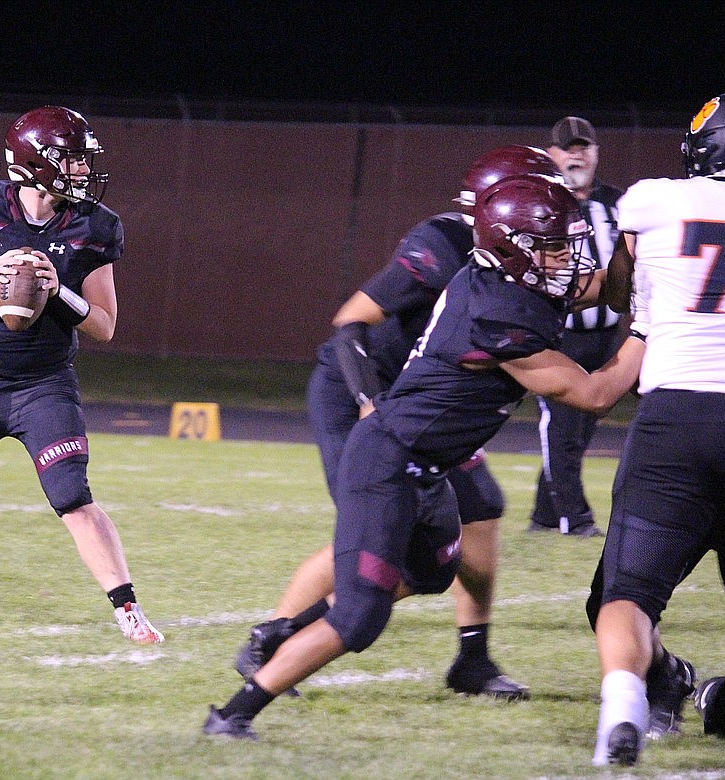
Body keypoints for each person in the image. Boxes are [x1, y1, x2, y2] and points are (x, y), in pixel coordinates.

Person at [204, 173, 647, 740]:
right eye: (555, 245)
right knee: (360, 619)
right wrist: (657, 328)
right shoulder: (497, 313)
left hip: (426, 464)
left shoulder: (514, 278)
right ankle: (235, 712)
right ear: (517, 248)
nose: (568, 258)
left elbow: (602, 289)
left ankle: (282, 630)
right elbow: (594, 394)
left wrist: (636, 251)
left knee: (434, 571)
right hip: (388, 460)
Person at [234, 146, 563, 703]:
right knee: (377, 531)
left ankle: (473, 658)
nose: (556, 215)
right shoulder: (443, 245)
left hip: (424, 407)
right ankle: (273, 640)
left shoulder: (532, 260)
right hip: (366, 399)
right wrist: (369, 401)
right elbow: (350, 324)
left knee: (479, 505)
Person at [0, 105, 163, 645]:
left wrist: (56, 290)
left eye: (82, 161)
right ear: (33, 163)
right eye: (69, 160)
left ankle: (128, 611)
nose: (81, 171)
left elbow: (105, 327)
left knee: (72, 495)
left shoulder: (95, 227)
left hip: (43, 388)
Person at [590, 89, 725, 766]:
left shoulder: (652, 199)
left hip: (675, 418)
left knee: (625, 594)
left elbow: (619, 291)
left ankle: (623, 713)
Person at [527, 116, 625, 537]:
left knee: (578, 434)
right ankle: (576, 520)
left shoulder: (619, 204)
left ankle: (544, 516)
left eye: (584, 146)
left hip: (605, 336)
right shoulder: (541, 202)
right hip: (560, 336)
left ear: (597, 153)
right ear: (553, 154)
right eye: (568, 147)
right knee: (563, 430)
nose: (577, 154)